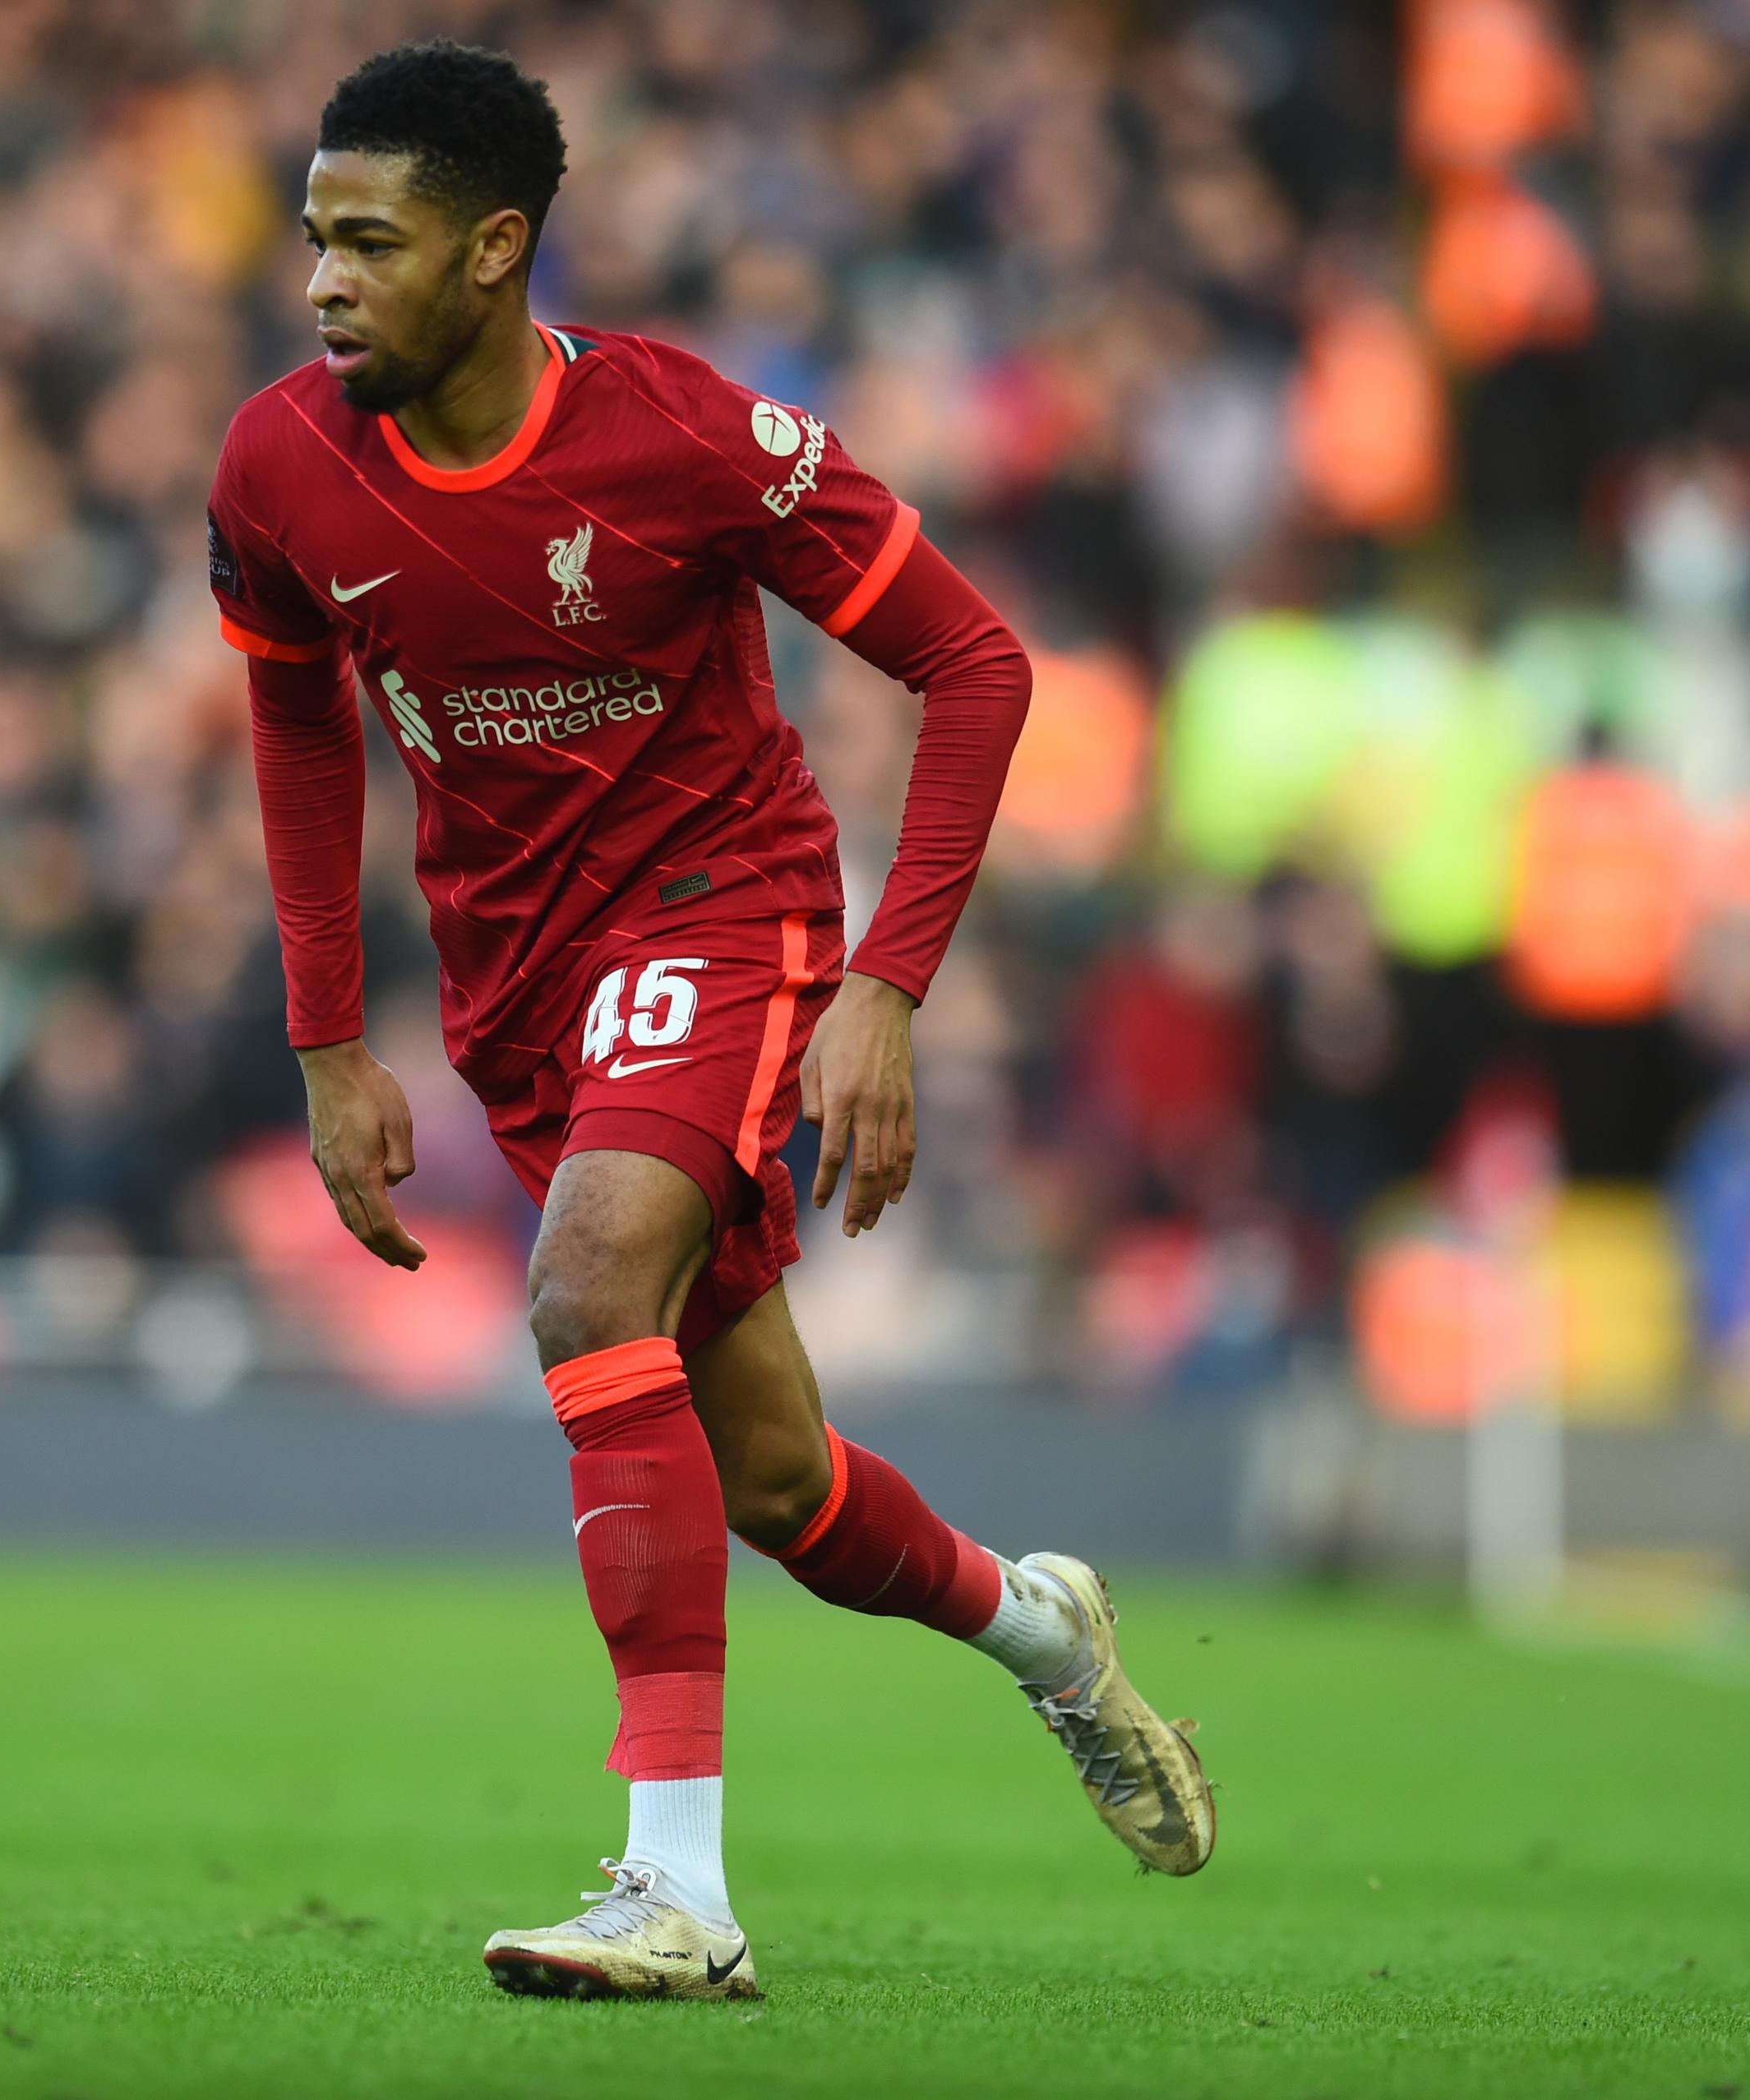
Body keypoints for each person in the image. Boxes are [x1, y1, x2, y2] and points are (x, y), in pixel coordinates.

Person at [210, 41, 1213, 2002]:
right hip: (517, 987)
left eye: (369, 244)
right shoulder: (278, 464)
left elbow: (976, 663)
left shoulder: (687, 440)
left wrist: (884, 990)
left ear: (496, 251)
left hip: (722, 914)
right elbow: (294, 714)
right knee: (779, 1491)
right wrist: (330, 1039)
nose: (323, 283)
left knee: (588, 1293)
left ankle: (676, 1889)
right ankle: (1047, 1637)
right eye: (312, 240)